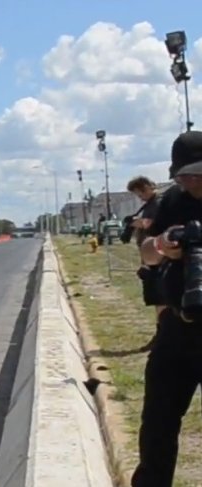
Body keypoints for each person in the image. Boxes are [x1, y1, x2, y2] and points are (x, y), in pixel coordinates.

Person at [132, 130, 202, 486]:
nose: (188, 181)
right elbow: (146, 252)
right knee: (157, 423)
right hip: (178, 329)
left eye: (196, 173)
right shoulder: (173, 200)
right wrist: (161, 245)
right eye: (182, 174)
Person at [126, 176, 163, 349]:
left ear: (147, 187)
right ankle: (162, 334)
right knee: (157, 300)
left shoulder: (158, 202)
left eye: (140, 192)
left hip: (159, 259)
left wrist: (133, 223)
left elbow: (148, 223)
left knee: (161, 299)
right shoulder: (149, 204)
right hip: (152, 258)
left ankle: (163, 335)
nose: (139, 196)